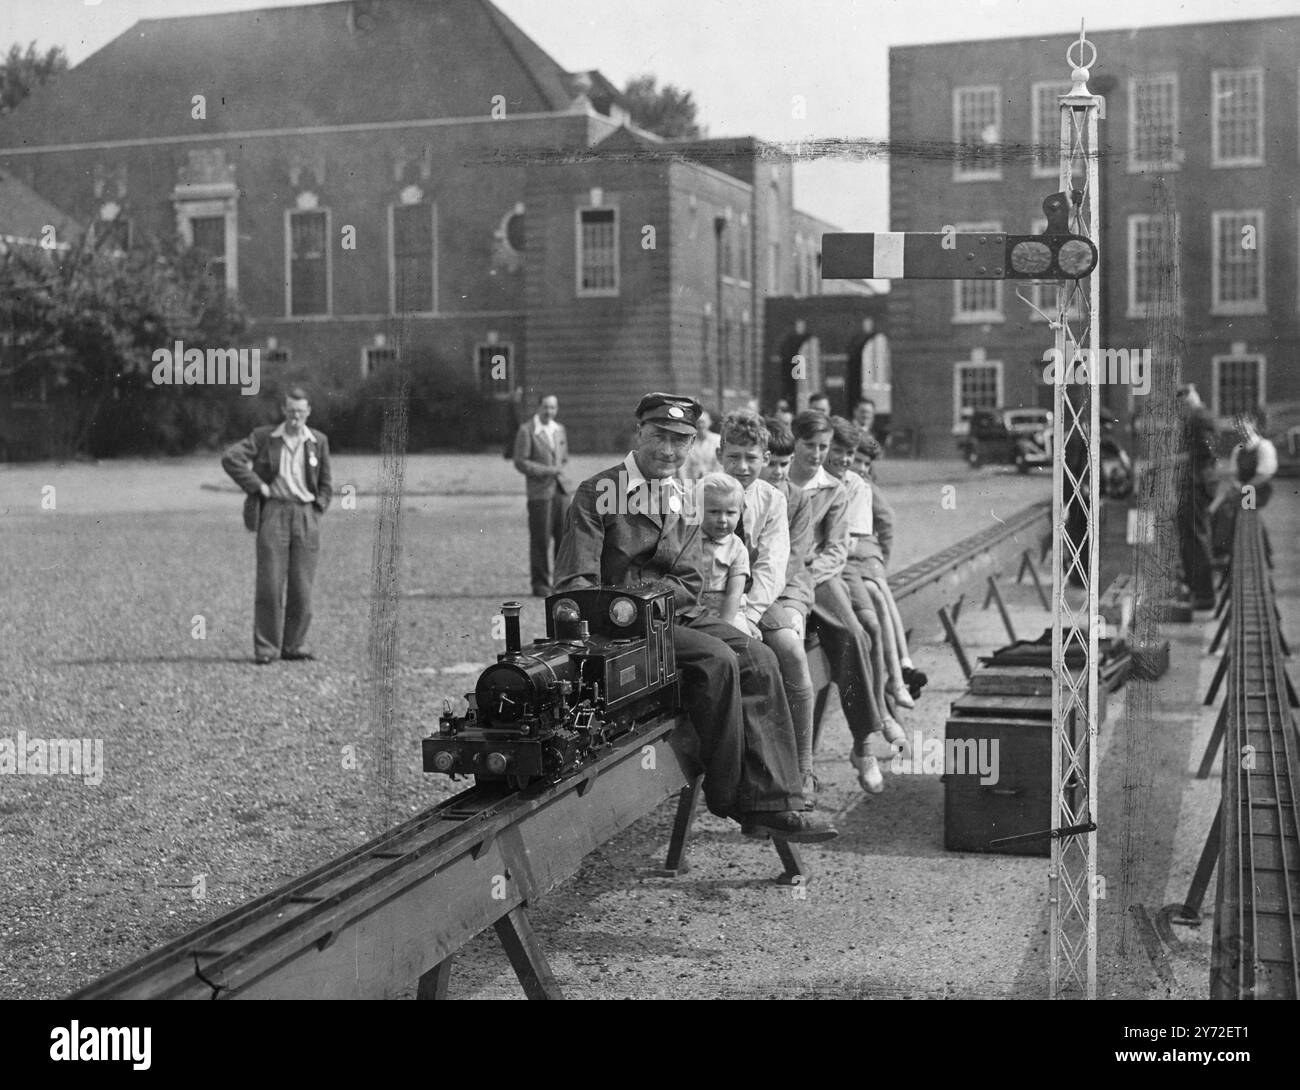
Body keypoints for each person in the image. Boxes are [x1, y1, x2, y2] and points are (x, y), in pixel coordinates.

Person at [554, 392, 835, 842]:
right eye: (660, 437)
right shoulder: (596, 495)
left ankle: (775, 801)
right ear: (638, 434)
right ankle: (732, 798)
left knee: (761, 657)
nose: (669, 451)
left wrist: (663, 600)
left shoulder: (684, 495)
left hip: (675, 614)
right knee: (718, 660)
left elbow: (690, 578)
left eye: (680, 441)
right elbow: (574, 584)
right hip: (620, 632)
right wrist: (635, 607)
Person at [787, 409, 900, 794]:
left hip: (816, 575)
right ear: (795, 442)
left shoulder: (833, 490)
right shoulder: (775, 480)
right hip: (778, 577)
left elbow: (837, 550)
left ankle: (863, 745)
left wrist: (805, 575)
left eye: (823, 448)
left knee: (854, 634)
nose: (818, 455)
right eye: (813, 446)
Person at [719, 412, 817, 803]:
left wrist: (748, 616)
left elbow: (773, 566)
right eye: (734, 457)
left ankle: (804, 764)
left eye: (752, 458)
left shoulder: (772, 499)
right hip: (712, 599)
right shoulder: (698, 494)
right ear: (719, 453)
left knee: (789, 650)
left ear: (764, 458)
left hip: (758, 597)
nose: (742, 467)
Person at [221, 387, 333, 664]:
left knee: (302, 586)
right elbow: (231, 458)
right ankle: (267, 649)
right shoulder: (265, 437)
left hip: (306, 515)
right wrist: (258, 485)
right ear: (284, 411)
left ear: (308, 412)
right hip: (273, 513)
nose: (295, 417)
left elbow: (326, 484)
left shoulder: (318, 441)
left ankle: (295, 645)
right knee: (269, 584)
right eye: (291, 411)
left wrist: (318, 506)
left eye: (301, 412)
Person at [512, 393, 571, 597]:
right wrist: (548, 471)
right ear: (538, 408)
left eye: (553, 407)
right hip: (539, 494)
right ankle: (540, 584)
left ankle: (561, 583)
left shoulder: (559, 429)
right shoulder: (527, 431)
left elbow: (564, 457)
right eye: (546, 407)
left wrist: (558, 470)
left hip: (561, 492)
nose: (550, 412)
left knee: (564, 538)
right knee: (541, 540)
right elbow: (520, 462)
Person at [1210, 407, 1277, 562]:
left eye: (1244, 424)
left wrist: (1242, 488)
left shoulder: (1264, 446)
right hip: (1242, 489)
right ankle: (1231, 549)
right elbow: (1234, 474)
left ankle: (1224, 552)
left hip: (1258, 491)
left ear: (1252, 424)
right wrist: (1235, 484)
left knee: (1231, 509)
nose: (1241, 429)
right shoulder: (1238, 449)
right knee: (1220, 507)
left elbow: (1264, 476)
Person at [1176, 384, 1218, 609]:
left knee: (1196, 538)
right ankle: (1197, 590)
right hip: (1198, 481)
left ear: (1186, 400)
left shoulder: (1198, 418)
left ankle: (1204, 594)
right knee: (1191, 537)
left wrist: (1171, 462)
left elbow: (1204, 453)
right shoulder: (1200, 416)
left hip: (1196, 483)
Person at [695, 472, 751, 632]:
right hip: (695, 610)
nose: (723, 519)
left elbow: (734, 594)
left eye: (731, 513)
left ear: (740, 513)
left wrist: (723, 628)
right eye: (714, 512)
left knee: (740, 641)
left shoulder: (737, 549)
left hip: (728, 611)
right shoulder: (689, 539)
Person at [679, 407, 721, 480]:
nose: (700, 425)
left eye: (703, 422)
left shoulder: (717, 440)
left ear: (709, 423)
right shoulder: (688, 442)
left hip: (714, 482)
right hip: (693, 484)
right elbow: (683, 467)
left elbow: (721, 465)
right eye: (698, 423)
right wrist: (685, 486)